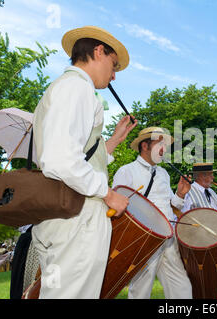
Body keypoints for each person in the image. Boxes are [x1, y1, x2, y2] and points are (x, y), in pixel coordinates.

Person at [31, 26, 137, 298]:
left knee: (56, 293)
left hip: (62, 212)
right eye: (113, 65)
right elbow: (62, 159)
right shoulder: (77, 88)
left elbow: (79, 153)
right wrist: (109, 193)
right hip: (78, 216)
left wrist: (114, 140)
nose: (114, 75)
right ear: (98, 51)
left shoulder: (66, 88)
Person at [112, 127, 193, 299]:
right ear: (145, 146)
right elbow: (118, 208)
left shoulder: (163, 173)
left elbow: (171, 206)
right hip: (144, 240)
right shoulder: (126, 171)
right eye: (160, 144)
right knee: (141, 290)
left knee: (182, 288)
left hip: (169, 240)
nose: (164, 149)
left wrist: (180, 193)